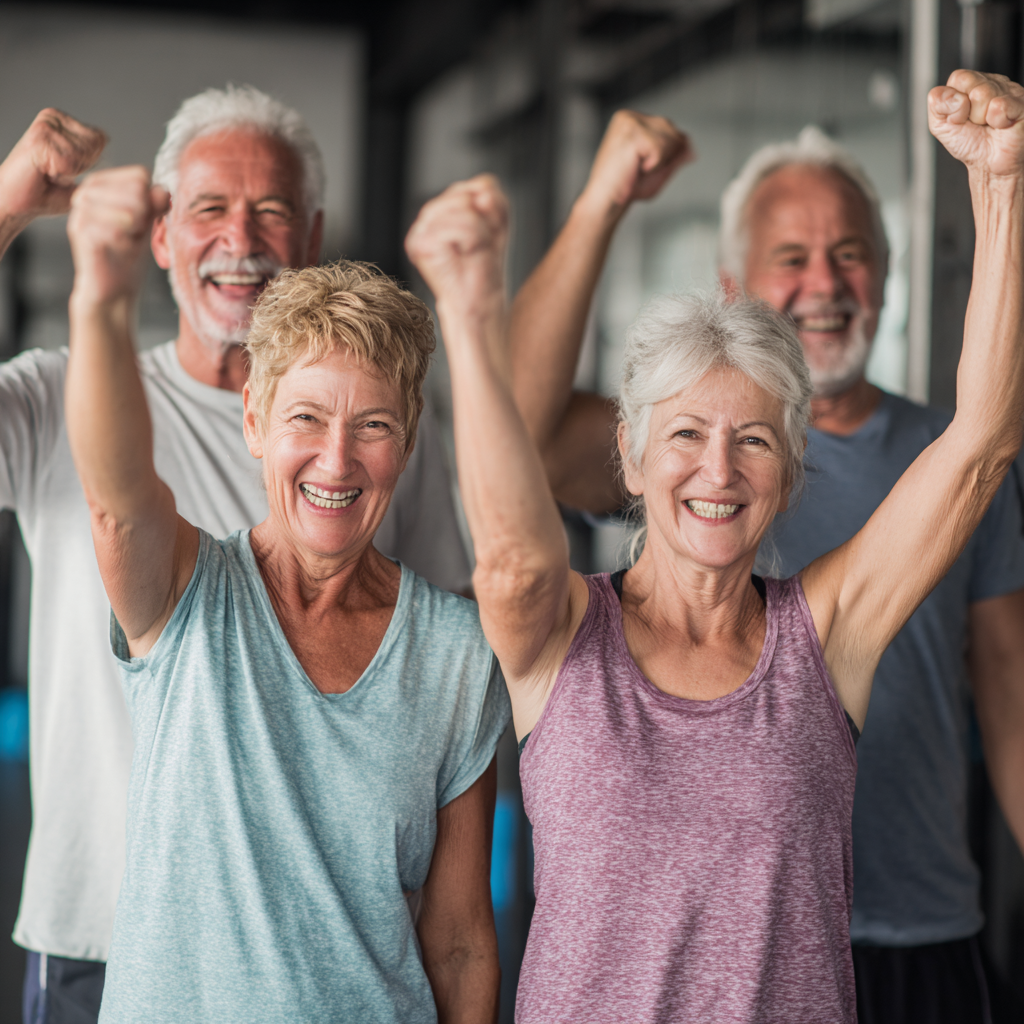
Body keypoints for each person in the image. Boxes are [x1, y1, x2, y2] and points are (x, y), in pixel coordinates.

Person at [405, 70, 1024, 1023]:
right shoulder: (565, 629)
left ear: (790, 469)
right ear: (633, 453)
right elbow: (513, 560)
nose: (719, 470)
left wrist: (1005, 183)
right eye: (687, 434)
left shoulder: (825, 635)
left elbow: (983, 435)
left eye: (755, 439)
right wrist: (468, 313)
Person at [0, 88, 472, 1024]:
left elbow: (434, 685)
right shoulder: (65, 394)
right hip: (102, 926)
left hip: (331, 955)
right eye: (209, 208)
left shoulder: (382, 441)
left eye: (271, 210)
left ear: (315, 233)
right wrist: (9, 206)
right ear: (162, 234)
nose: (241, 238)